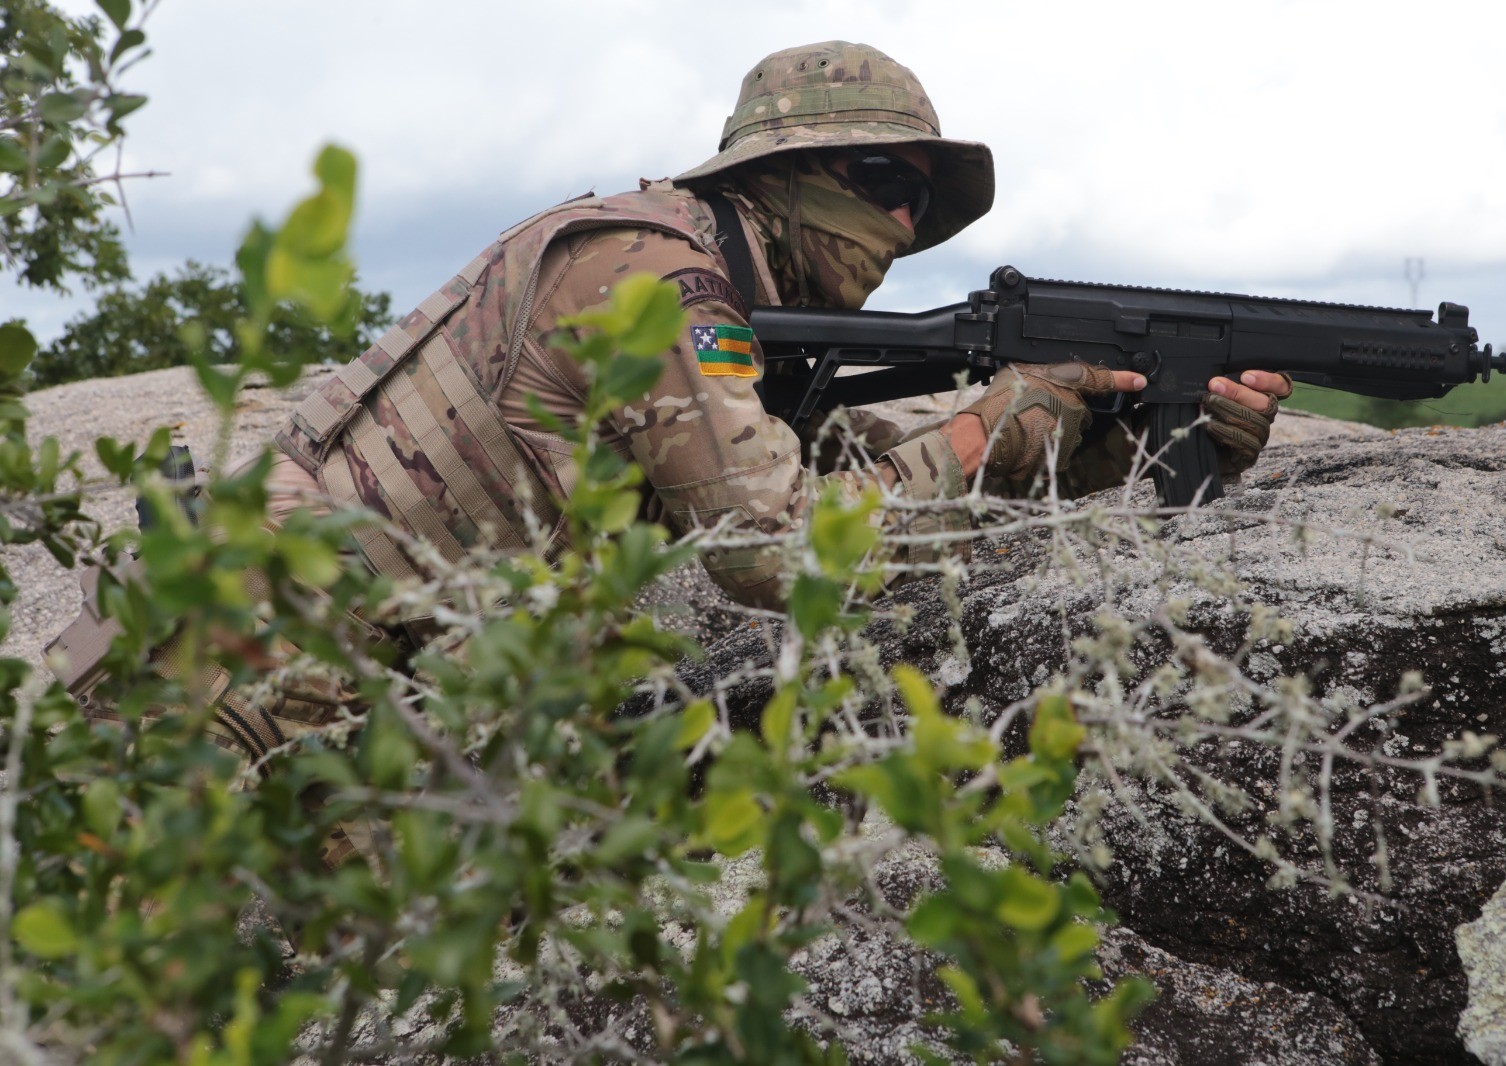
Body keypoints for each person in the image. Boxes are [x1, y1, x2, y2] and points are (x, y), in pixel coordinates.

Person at [48, 41, 1290, 866]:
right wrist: (992, 411)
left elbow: (841, 472)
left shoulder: (719, 297)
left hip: (324, 711)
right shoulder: (655, 275)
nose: (903, 223)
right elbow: (780, 549)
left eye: (920, 200)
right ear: (788, 176)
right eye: (878, 182)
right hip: (213, 688)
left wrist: (1110, 436)